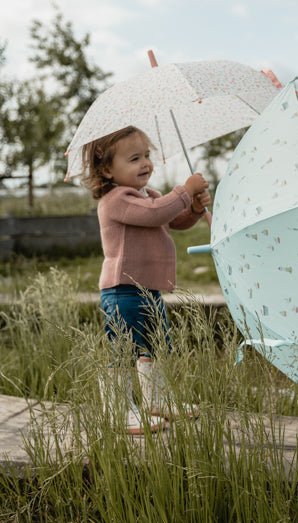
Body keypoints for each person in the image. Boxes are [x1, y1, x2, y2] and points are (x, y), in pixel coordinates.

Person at [81, 125, 210, 435]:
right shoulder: (116, 199)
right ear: (107, 169)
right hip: (122, 289)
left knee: (155, 346)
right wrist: (184, 190)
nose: (145, 164)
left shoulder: (147, 195)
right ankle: (119, 411)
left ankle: (158, 400)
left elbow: (172, 219)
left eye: (147, 156)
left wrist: (193, 208)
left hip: (147, 288)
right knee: (123, 351)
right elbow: (155, 213)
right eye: (134, 158)